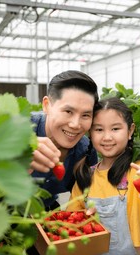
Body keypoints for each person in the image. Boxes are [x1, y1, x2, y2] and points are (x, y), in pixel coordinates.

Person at [67, 97, 140, 255]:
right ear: (90, 133)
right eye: (98, 130)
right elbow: (71, 222)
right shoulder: (85, 177)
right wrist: (83, 222)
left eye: (115, 129)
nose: (107, 137)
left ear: (130, 130)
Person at [30, 70, 99, 211]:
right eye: (68, 111)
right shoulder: (17, 132)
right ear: (46, 105)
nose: (75, 124)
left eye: (85, 115)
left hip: (47, 210)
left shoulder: (86, 150)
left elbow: (87, 194)